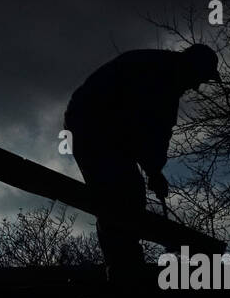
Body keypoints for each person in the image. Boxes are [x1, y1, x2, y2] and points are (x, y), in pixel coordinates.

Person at [64, 43, 220, 277]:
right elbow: (149, 128)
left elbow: (151, 131)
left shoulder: (164, 74)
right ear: (193, 67)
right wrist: (153, 170)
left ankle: (124, 264)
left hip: (100, 126)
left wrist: (153, 170)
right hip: (92, 125)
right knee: (117, 193)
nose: (196, 86)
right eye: (200, 78)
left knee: (123, 192)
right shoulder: (160, 77)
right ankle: (123, 267)